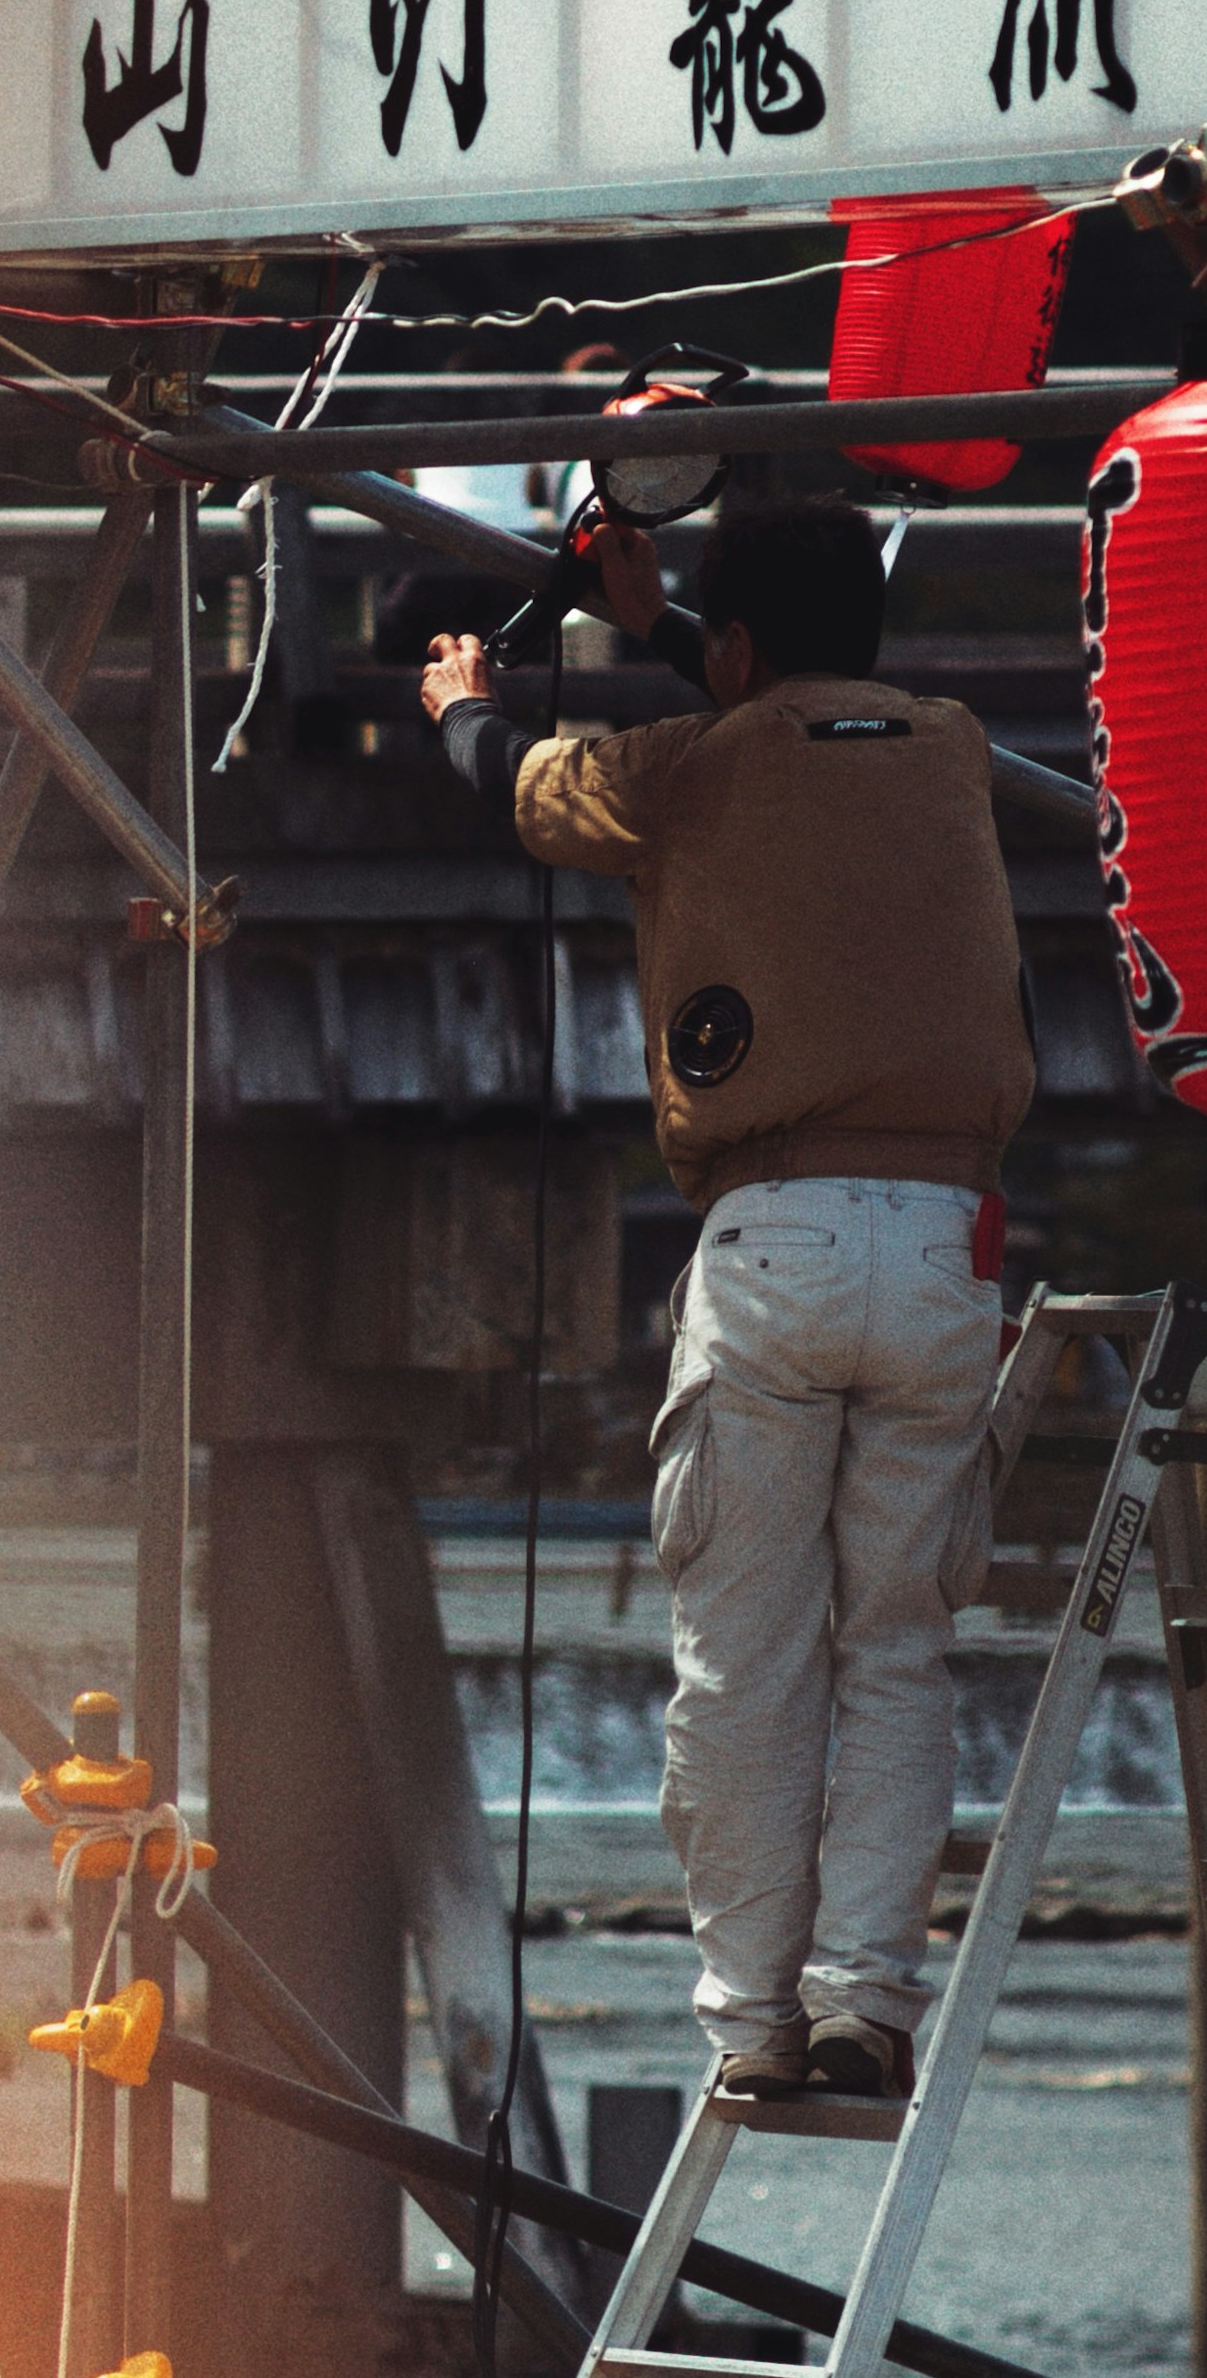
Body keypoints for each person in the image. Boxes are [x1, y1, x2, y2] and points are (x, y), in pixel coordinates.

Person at [421, 495, 1033, 2111]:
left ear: (735, 647)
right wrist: (673, 622)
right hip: (950, 1245)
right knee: (895, 1649)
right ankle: (864, 2004)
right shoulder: (951, 744)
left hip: (777, 1234)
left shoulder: (690, 766)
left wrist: (462, 701)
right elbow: (806, 697)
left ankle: (752, 2027)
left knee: (743, 1657)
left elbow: (522, 790)